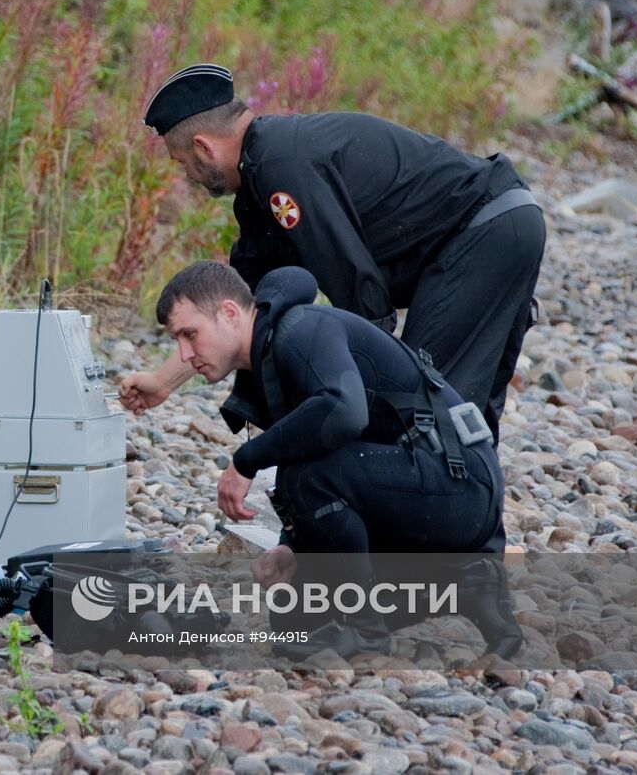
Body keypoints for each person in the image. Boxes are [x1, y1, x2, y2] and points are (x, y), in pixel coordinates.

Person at [122, 63, 545, 444]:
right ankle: (467, 522)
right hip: (503, 225)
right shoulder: (262, 179)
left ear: (204, 147)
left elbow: (363, 296)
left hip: (483, 234)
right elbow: (237, 311)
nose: (187, 175)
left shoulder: (282, 167)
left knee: (423, 408)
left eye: (181, 162)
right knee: (463, 416)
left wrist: (342, 400)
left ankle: (417, 521)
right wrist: (163, 381)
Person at [152, 260, 521, 658]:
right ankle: (468, 586)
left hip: (459, 488)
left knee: (305, 478)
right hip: (433, 498)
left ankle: (366, 631)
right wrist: (291, 546)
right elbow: (329, 450)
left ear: (228, 312)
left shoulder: (301, 329)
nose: (185, 354)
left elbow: (344, 412)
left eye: (190, 334)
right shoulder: (270, 357)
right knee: (294, 621)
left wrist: (246, 461)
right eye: (178, 340)